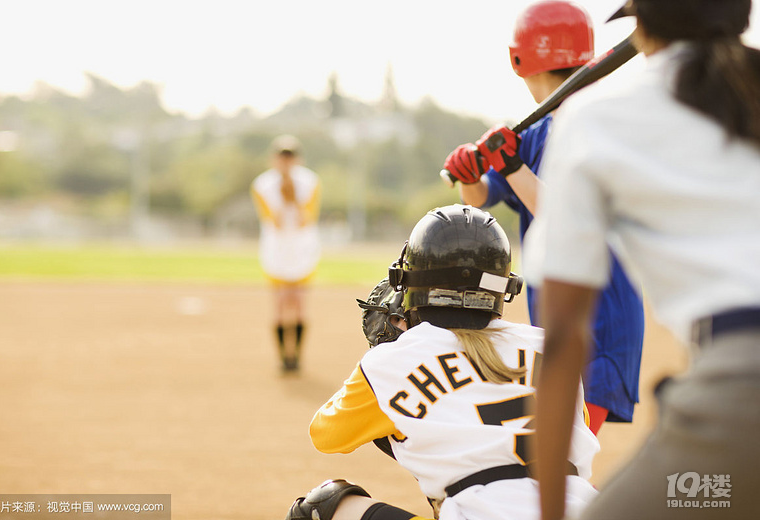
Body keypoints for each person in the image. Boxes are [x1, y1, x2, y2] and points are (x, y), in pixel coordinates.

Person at [528, 0, 760, 518]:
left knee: (704, 494)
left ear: (644, 26)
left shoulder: (598, 115)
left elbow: (565, 335)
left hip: (742, 394)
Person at [285, 205, 599, 520]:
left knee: (322, 505)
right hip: (587, 509)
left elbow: (326, 435)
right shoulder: (548, 346)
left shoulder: (393, 360)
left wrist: (395, 395)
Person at [442, 0, 644, 434]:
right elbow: (479, 199)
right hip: (558, 324)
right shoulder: (535, 133)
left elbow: (572, 217)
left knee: (550, 461)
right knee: (541, 461)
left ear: (519, 59)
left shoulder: (596, 126)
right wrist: (471, 172)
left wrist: (511, 166)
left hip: (599, 326)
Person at [250, 135, 321, 372]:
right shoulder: (262, 184)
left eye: (290, 157)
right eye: (282, 157)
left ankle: (297, 356)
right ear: (274, 159)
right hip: (277, 250)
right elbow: (274, 222)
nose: (286, 162)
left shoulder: (310, 182)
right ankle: (283, 356)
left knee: (299, 302)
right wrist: (284, 195)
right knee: (280, 303)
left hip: (302, 249)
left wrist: (293, 197)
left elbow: (305, 220)